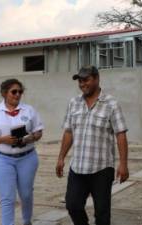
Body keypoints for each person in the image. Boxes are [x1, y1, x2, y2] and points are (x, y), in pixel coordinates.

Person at [56, 65, 129, 225]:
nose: (82, 84)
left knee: (102, 213)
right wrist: (61, 157)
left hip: (102, 169)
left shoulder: (111, 104)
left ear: (96, 78)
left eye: (86, 80)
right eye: (80, 81)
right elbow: (68, 132)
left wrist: (123, 164)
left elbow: (120, 134)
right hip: (78, 167)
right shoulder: (73, 103)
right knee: (73, 205)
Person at [0, 79, 43, 225]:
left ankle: (27, 221)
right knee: (7, 197)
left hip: (27, 158)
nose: (17, 94)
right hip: (2, 159)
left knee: (26, 194)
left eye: (20, 91)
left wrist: (31, 137)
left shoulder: (29, 110)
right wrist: (3, 140)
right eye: (14, 91)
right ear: (4, 93)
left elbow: (39, 131)